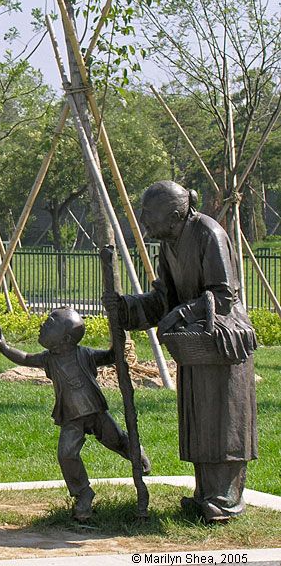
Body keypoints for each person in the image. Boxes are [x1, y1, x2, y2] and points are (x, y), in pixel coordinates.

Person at [103, 180, 257, 524]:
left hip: (222, 341)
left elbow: (223, 294)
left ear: (174, 216)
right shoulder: (169, 245)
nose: (144, 225)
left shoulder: (209, 234)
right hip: (196, 347)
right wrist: (126, 307)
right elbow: (164, 300)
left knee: (223, 420)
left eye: (149, 218)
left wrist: (183, 313)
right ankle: (207, 495)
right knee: (200, 419)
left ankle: (227, 499)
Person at [0, 308, 151, 521]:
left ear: (65, 339)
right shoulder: (48, 359)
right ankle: (83, 493)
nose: (43, 325)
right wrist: (4, 347)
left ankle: (136, 453)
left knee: (116, 439)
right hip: (71, 417)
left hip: (96, 412)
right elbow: (25, 358)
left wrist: (118, 334)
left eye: (50, 323)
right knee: (66, 454)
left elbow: (110, 356)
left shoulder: (84, 354)